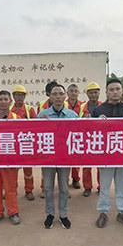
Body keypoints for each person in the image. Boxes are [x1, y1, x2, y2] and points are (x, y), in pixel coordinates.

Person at [92, 79, 123, 228]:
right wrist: (96, 122)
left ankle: (121, 212)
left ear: (122, 91)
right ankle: (103, 211)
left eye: (118, 89)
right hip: (106, 155)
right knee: (104, 186)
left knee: (122, 186)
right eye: (112, 89)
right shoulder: (98, 110)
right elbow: (90, 132)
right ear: (106, 92)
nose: (115, 92)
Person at [38, 84, 78, 229]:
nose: (58, 97)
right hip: (48, 158)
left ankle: (63, 214)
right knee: (48, 188)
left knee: (64, 188)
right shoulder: (42, 115)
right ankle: (49, 214)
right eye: (54, 94)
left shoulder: (73, 116)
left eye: (61, 94)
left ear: (65, 96)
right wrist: (40, 123)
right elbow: (35, 135)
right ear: (49, 96)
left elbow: (79, 135)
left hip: (65, 158)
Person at [0, 90, 21, 226]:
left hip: (10, 160)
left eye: (6, 99)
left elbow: (23, 139)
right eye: (0, 99)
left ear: (10, 101)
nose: (3, 102)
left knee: (10, 188)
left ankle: (13, 212)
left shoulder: (17, 119)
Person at [11, 85, 37, 200]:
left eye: (21, 95)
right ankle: (12, 189)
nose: (19, 97)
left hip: (26, 143)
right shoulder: (9, 110)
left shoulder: (29, 110)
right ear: (13, 96)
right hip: (13, 143)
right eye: (17, 95)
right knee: (13, 169)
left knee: (28, 169)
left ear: (24, 96)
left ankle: (29, 190)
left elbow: (35, 125)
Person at [80, 81, 102, 196]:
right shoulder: (82, 107)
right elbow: (75, 122)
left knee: (100, 166)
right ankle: (87, 187)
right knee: (86, 166)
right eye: (91, 92)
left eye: (95, 92)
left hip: (100, 139)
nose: (93, 95)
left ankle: (101, 187)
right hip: (86, 139)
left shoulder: (104, 106)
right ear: (87, 94)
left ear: (99, 93)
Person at [65, 84, 84, 189]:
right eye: (71, 91)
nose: (73, 93)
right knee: (66, 159)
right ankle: (65, 181)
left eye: (76, 91)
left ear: (78, 93)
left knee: (76, 159)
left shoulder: (82, 106)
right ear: (67, 93)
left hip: (77, 136)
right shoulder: (63, 104)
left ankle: (76, 179)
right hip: (65, 136)